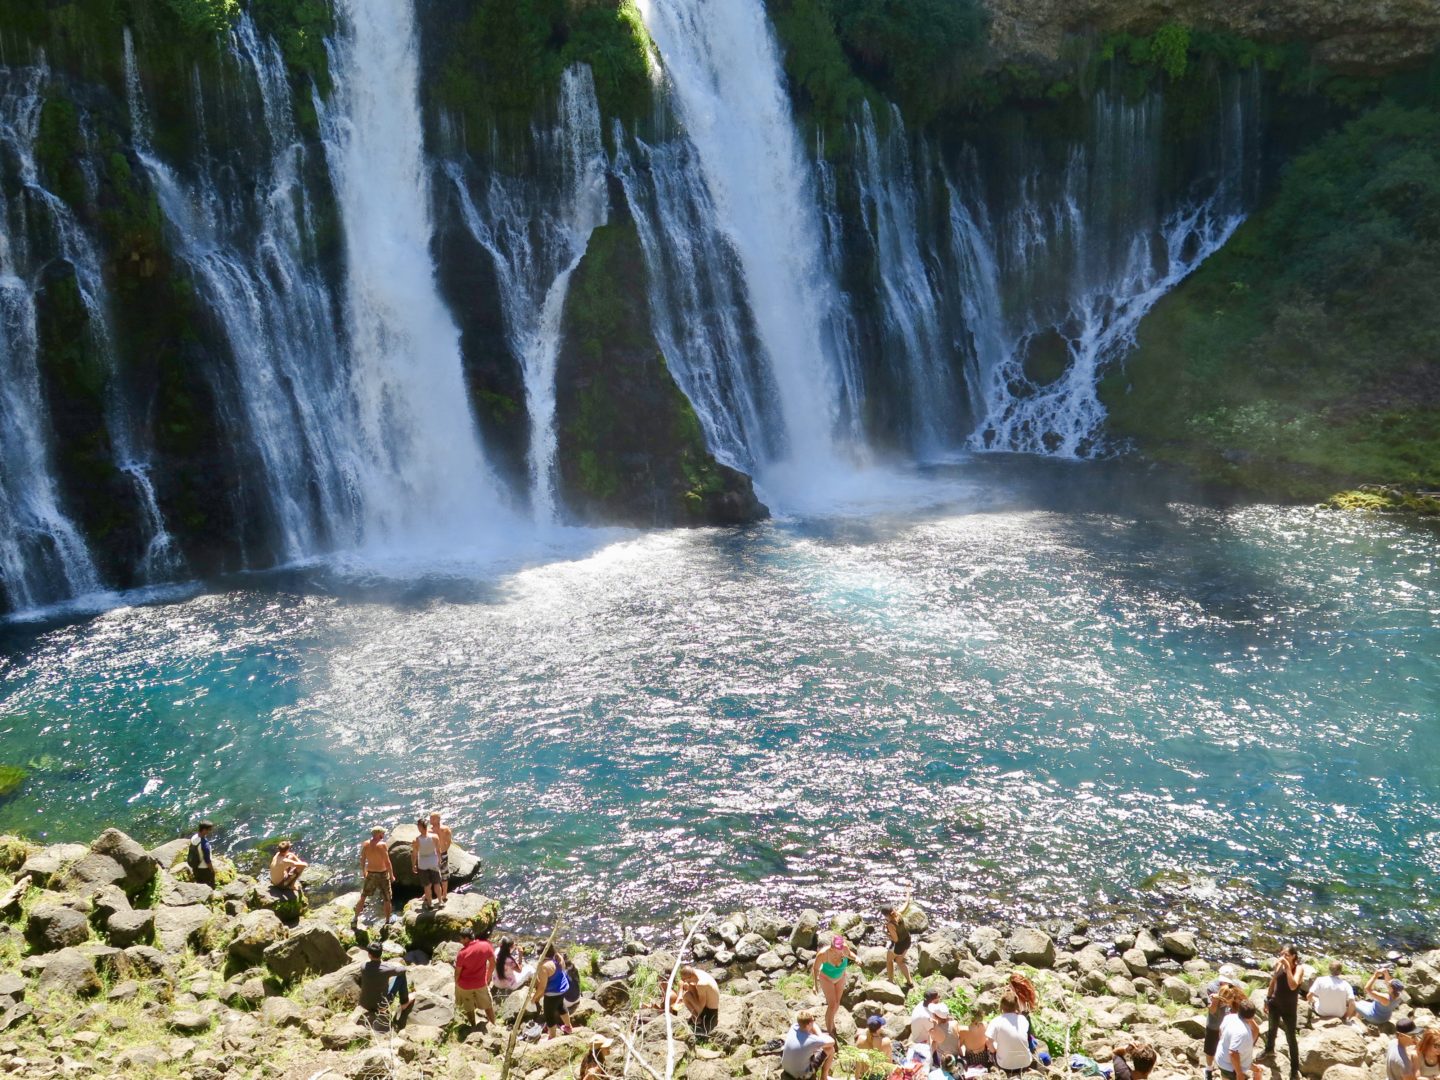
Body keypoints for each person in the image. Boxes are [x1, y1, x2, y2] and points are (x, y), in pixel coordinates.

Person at [1263, 945, 1302, 1079]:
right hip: (1275, 1004)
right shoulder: (1279, 966)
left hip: (1289, 1009)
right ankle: (1269, 1050)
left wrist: (1287, 967)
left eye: (1286, 955)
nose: (1283, 957)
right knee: (1271, 1029)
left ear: (1293, 956)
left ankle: (1294, 1068)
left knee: (1291, 1037)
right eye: (1282, 954)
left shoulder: (1299, 969)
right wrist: (1267, 999)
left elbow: (1293, 985)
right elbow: (1273, 982)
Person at [1204, 966, 1246, 1080]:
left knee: (1229, 1048)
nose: (1225, 983)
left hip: (1229, 1025)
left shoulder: (1236, 986)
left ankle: (1227, 1069)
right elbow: (1212, 1010)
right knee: (1210, 1049)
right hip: (1214, 1023)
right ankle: (1208, 1069)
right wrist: (1215, 1000)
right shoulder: (1212, 987)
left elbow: (1242, 1002)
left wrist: (1232, 999)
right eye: (1223, 981)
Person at [812, 935, 859, 1037]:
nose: (841, 950)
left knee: (837, 1003)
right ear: (832, 948)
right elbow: (815, 968)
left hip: (840, 977)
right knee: (832, 1004)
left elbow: (849, 954)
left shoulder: (845, 948)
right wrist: (815, 985)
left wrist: (856, 958)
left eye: (842, 947)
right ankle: (830, 1031)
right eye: (839, 949)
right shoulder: (823, 954)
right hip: (826, 978)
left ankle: (831, 1019)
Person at [359, 941, 413, 1026]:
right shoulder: (387, 969)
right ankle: (404, 1003)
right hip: (381, 1005)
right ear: (381, 953)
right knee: (401, 976)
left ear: (369, 954)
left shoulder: (363, 966)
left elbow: (374, 969)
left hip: (365, 1004)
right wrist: (395, 964)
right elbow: (403, 969)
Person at [353, 827, 396, 929]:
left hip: (371, 873)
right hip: (382, 874)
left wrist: (364, 871)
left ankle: (355, 918)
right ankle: (387, 921)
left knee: (363, 896)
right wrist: (392, 875)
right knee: (387, 898)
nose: (383, 835)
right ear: (378, 834)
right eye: (382, 833)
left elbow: (362, 859)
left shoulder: (366, 844)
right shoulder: (382, 845)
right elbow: (387, 862)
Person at [455, 926, 497, 1027]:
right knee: (488, 1005)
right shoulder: (486, 946)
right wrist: (488, 976)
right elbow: (493, 963)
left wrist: (456, 983)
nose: (460, 941)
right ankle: (494, 1025)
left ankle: (473, 1026)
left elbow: (458, 972)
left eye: (461, 939)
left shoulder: (462, 953)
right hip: (481, 983)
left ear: (466, 939)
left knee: (469, 1007)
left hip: (465, 986)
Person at [532, 944, 574, 1038]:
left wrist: (534, 997)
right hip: (562, 989)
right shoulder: (558, 957)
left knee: (549, 1015)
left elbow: (542, 987)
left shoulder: (544, 966)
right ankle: (568, 1026)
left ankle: (552, 1036)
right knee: (561, 1006)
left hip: (552, 993)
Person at [986, 990, 1033, 1074]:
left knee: (992, 1045)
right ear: (1016, 1006)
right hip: (1025, 1063)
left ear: (1001, 1006)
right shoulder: (1023, 1019)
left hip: (1005, 1065)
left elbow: (988, 1042)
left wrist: (995, 1051)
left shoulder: (996, 1021)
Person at [781, 1009, 835, 1080]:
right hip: (802, 1076)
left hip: (787, 1069)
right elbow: (832, 1042)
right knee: (831, 1049)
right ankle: (824, 1077)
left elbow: (813, 1025)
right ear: (809, 1023)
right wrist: (820, 1036)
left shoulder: (793, 1027)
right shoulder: (811, 1040)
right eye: (814, 1020)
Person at [1217, 1001, 1258, 1080]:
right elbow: (1233, 1053)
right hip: (1230, 1067)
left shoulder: (1229, 1017)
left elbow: (1220, 1032)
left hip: (1222, 1058)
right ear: (1253, 1015)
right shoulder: (1242, 1032)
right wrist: (1239, 1074)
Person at [884, 889, 915, 987]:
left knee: (889, 960)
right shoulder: (899, 913)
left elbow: (895, 939)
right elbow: (907, 902)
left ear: (885, 915)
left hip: (899, 945)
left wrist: (885, 933)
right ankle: (910, 982)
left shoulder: (890, 924)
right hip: (907, 941)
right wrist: (908, 890)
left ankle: (890, 980)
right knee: (900, 961)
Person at [680, 966, 721, 1037]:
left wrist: (695, 1014)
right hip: (709, 1002)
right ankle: (695, 1015)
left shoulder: (701, 984)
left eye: (684, 979)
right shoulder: (697, 972)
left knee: (686, 996)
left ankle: (697, 1018)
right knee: (689, 986)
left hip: (710, 1010)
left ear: (690, 977)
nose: (683, 981)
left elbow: (701, 1006)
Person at [412, 818, 442, 910]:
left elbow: (414, 854)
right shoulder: (435, 837)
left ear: (420, 827)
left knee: (427, 885)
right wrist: (439, 860)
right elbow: (438, 850)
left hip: (423, 864)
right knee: (437, 883)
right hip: (433, 861)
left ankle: (430, 904)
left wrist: (413, 865)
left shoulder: (417, 840)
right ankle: (440, 902)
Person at [854, 1014, 894, 1079]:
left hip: (865, 1076)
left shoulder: (860, 1039)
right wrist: (891, 1077)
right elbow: (889, 1061)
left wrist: (856, 1078)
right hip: (879, 1077)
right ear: (879, 1029)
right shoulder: (886, 1041)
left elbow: (858, 1063)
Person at [429, 812, 452, 905]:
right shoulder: (429, 830)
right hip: (432, 855)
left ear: (438, 819)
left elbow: (449, 841)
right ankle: (427, 894)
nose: (430, 820)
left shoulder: (445, 829)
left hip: (442, 854)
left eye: (433, 818)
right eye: (430, 818)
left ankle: (444, 894)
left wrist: (444, 850)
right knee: (431, 875)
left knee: (444, 874)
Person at [929, 1002, 961, 1069]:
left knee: (932, 1043)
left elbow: (932, 1044)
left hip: (944, 1060)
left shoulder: (935, 1031)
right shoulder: (955, 1023)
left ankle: (935, 1064)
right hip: (955, 1055)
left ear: (935, 1016)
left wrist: (935, 1025)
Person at [187, 821, 217, 887]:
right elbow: (207, 860)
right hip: (204, 868)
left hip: (195, 866)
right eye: (209, 830)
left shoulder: (194, 837)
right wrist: (212, 869)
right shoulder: (205, 845)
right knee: (209, 885)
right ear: (204, 830)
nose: (210, 831)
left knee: (199, 883)